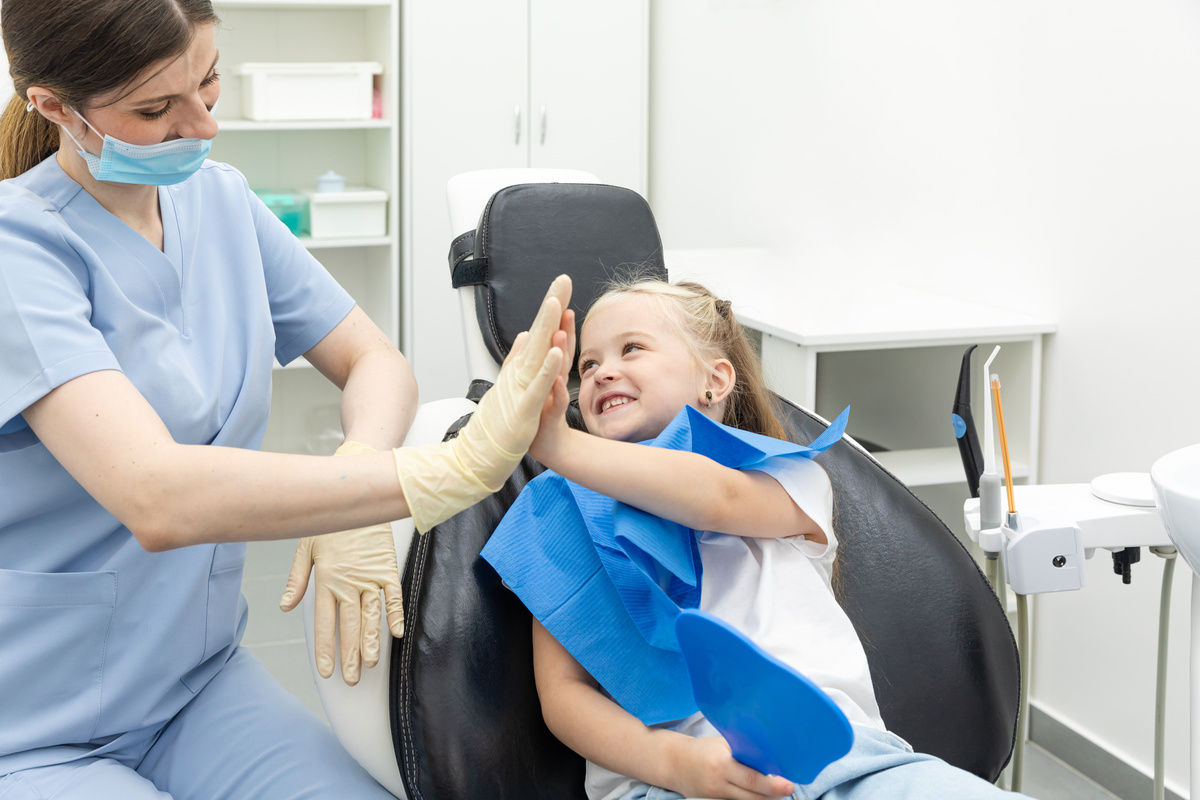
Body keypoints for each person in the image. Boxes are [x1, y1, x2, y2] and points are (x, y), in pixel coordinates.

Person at [0, 0, 572, 797]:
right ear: (57, 108)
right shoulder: (18, 251)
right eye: (157, 110)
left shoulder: (221, 202)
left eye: (210, 85)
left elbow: (374, 359)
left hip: (196, 690)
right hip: (32, 728)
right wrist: (441, 472)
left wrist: (361, 463)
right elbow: (157, 496)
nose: (201, 129)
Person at [483, 279, 1035, 800]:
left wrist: (561, 447)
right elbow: (563, 696)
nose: (602, 372)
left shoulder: (788, 478)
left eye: (632, 349)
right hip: (668, 780)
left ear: (715, 381)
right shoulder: (558, 518)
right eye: (588, 364)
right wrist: (679, 764)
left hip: (845, 762)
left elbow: (714, 499)